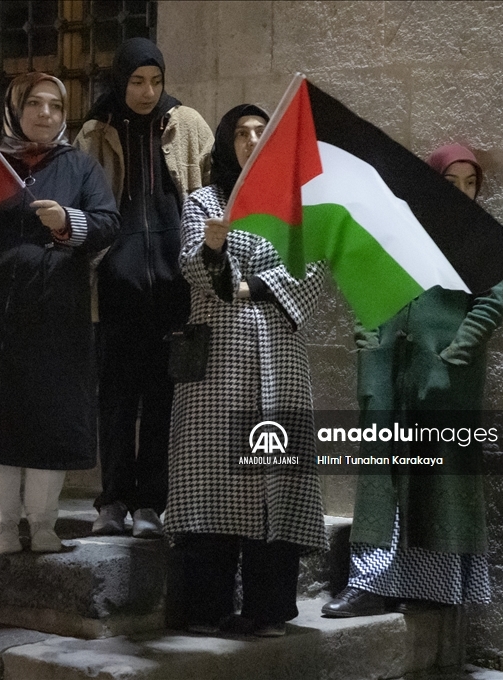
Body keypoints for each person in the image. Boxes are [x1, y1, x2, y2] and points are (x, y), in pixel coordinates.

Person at [0, 73, 119, 555]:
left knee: (47, 422)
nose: (44, 114)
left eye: (55, 106)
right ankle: (3, 527)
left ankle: (42, 526)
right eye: (33, 103)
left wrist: (67, 222)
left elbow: (106, 223)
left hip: (56, 319)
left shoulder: (78, 167)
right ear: (15, 110)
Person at [321, 144, 503, 617]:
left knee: (438, 479)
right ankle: (370, 584)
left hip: (442, 376)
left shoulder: (481, 238)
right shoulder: (397, 231)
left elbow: (491, 303)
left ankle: (436, 587)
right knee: (381, 477)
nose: (463, 192)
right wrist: (368, 344)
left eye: (471, 184)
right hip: (388, 371)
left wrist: (455, 354)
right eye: (451, 183)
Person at [165, 104, 328, 637]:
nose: (252, 140)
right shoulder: (204, 201)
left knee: (274, 480)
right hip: (217, 364)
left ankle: (268, 609)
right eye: (241, 132)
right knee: (211, 479)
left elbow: (313, 268)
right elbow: (193, 267)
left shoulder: (295, 209)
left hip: (278, 360)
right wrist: (213, 247)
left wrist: (249, 286)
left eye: (262, 132)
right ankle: (204, 609)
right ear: (226, 143)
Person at [75, 38, 214, 538]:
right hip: (116, 288)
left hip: (173, 288)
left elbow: (207, 194)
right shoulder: (96, 131)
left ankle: (151, 505)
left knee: (162, 400)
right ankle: (111, 501)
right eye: (137, 81)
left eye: (155, 81)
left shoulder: (188, 124)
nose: (147, 91)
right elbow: (84, 204)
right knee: (115, 399)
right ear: (121, 79)